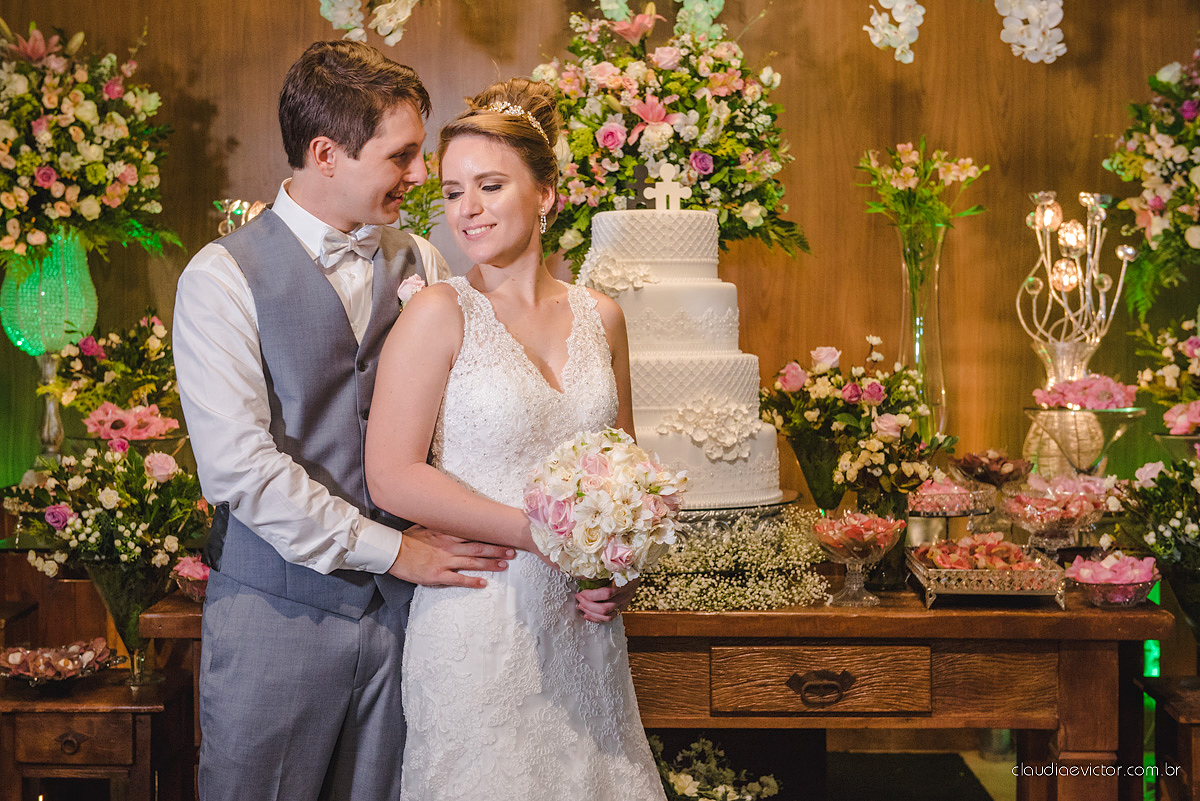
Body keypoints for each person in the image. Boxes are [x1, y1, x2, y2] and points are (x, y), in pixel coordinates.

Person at [173, 41, 519, 801]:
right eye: (402, 156)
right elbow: (240, 470)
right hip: (276, 618)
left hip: (413, 624)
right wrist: (393, 550)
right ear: (326, 153)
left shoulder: (427, 265)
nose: (422, 175)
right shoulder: (220, 277)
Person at [363, 78, 665, 801]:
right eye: (453, 190)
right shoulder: (438, 313)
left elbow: (624, 475)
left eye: (490, 185)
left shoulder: (605, 317)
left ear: (547, 192)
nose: (467, 209)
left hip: (582, 630)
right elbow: (392, 475)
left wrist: (616, 568)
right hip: (477, 619)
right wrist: (541, 534)